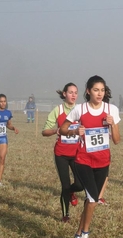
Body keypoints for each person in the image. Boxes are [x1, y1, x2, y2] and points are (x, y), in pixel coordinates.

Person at [59, 75, 120, 238]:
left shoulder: (111, 110)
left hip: (103, 161)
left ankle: (78, 233)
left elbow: (116, 140)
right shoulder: (80, 109)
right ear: (88, 91)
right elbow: (63, 128)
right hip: (83, 160)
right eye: (96, 90)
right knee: (93, 199)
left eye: (102, 90)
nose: (99, 93)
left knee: (90, 200)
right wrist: (75, 130)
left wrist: (112, 125)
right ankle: (85, 233)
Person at [42, 83, 84, 223]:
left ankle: (71, 191)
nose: (73, 95)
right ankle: (65, 215)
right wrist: (56, 130)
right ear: (65, 94)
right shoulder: (58, 110)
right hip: (61, 154)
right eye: (70, 92)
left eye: (76, 92)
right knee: (65, 185)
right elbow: (45, 131)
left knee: (80, 185)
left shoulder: (80, 110)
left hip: (77, 153)